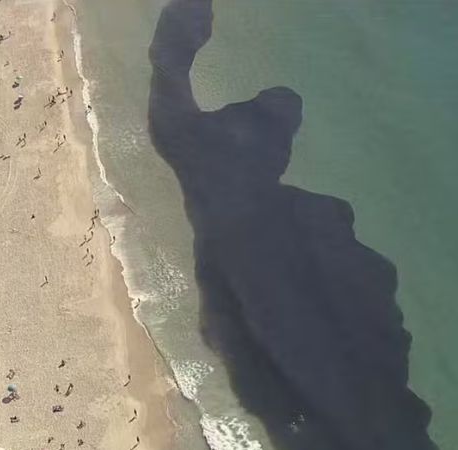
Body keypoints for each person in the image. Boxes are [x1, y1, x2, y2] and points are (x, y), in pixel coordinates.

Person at [148, 1, 435, 449]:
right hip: (291, 375)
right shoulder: (301, 210)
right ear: (277, 156)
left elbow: (168, 69)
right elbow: (169, 65)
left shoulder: (202, 170)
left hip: (273, 371)